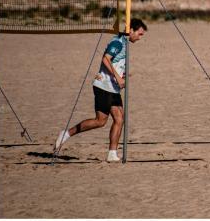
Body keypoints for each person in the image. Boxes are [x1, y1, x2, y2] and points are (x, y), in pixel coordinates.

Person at [54, 18, 148, 162]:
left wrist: (122, 74)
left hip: (113, 88)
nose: (140, 38)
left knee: (119, 118)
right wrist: (117, 76)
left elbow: (114, 62)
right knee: (100, 121)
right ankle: (66, 134)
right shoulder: (117, 42)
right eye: (140, 34)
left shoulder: (124, 43)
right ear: (131, 31)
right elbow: (105, 59)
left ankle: (112, 153)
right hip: (104, 86)